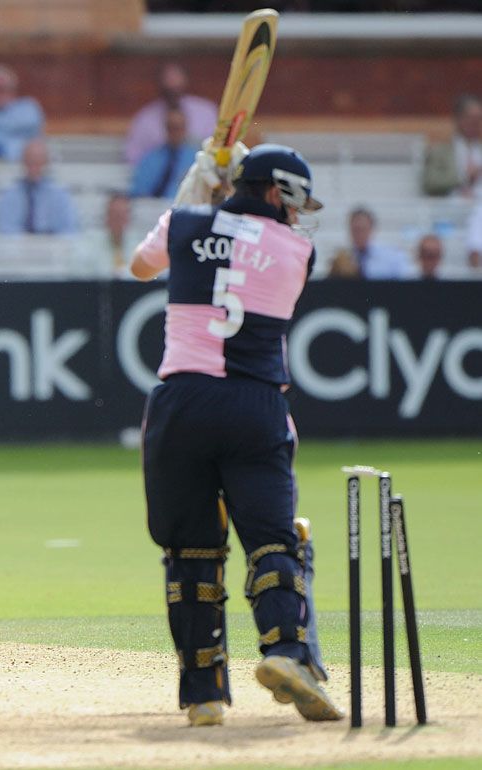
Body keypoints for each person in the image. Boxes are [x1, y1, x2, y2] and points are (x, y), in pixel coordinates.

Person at [130, 142, 344, 727]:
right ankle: (286, 654)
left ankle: (202, 696)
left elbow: (141, 266)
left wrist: (193, 197)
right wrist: (221, 201)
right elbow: (246, 251)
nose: (298, 216)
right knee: (274, 542)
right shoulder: (298, 250)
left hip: (180, 401)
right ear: (275, 193)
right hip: (254, 404)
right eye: (293, 202)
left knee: (191, 552)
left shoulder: (184, 222)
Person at [125, 63, 218, 165]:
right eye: (169, 85)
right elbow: (134, 158)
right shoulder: (145, 119)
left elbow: (216, 149)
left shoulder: (206, 112)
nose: (173, 87)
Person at [0, 138, 79, 234]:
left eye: (39, 162)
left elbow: (70, 230)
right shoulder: (10, 195)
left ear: (47, 163)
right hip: (18, 247)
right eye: (30, 162)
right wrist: (28, 243)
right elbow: (5, 229)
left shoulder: (60, 196)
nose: (34, 167)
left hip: (53, 246)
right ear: (23, 162)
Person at [422, 93, 482, 198]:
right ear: (458, 119)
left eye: (479, 118)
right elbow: (430, 182)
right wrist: (463, 176)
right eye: (471, 118)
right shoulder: (440, 151)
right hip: (451, 209)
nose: (475, 123)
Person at [129, 108, 198, 199]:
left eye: (178, 128)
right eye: (171, 128)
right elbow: (138, 190)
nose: (175, 133)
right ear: (166, 129)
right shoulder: (151, 158)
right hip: (149, 207)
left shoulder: (195, 159)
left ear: (185, 129)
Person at [326, 207, 412, 279]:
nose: (359, 234)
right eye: (355, 230)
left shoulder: (392, 257)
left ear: (371, 229)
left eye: (363, 229)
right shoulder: (342, 259)